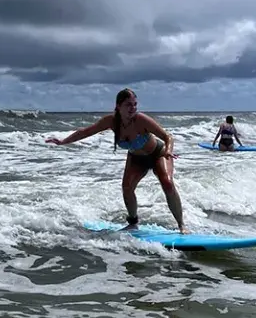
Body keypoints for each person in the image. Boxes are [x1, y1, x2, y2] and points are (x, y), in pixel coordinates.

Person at [45, 88, 188, 234]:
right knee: (127, 188)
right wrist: (63, 142)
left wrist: (169, 150)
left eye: (135, 104)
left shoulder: (141, 120)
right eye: (128, 105)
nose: (133, 108)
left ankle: (181, 225)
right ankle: (133, 223)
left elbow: (167, 136)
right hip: (136, 158)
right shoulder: (111, 121)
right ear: (118, 106)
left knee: (167, 183)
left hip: (158, 153)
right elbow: (86, 131)